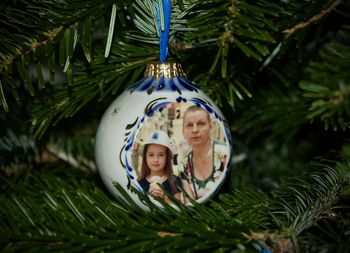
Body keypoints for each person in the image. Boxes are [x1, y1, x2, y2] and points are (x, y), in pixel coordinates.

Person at [180, 105, 228, 200]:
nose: (195, 130)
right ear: (183, 131)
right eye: (189, 125)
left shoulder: (225, 154)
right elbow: (190, 204)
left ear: (210, 127)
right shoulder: (184, 166)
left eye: (201, 124)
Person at [137, 130, 192, 203]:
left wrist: (165, 197)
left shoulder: (176, 182)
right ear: (145, 157)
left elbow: (183, 209)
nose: (156, 160)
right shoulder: (139, 184)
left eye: (161, 155)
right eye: (151, 155)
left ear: (167, 157)